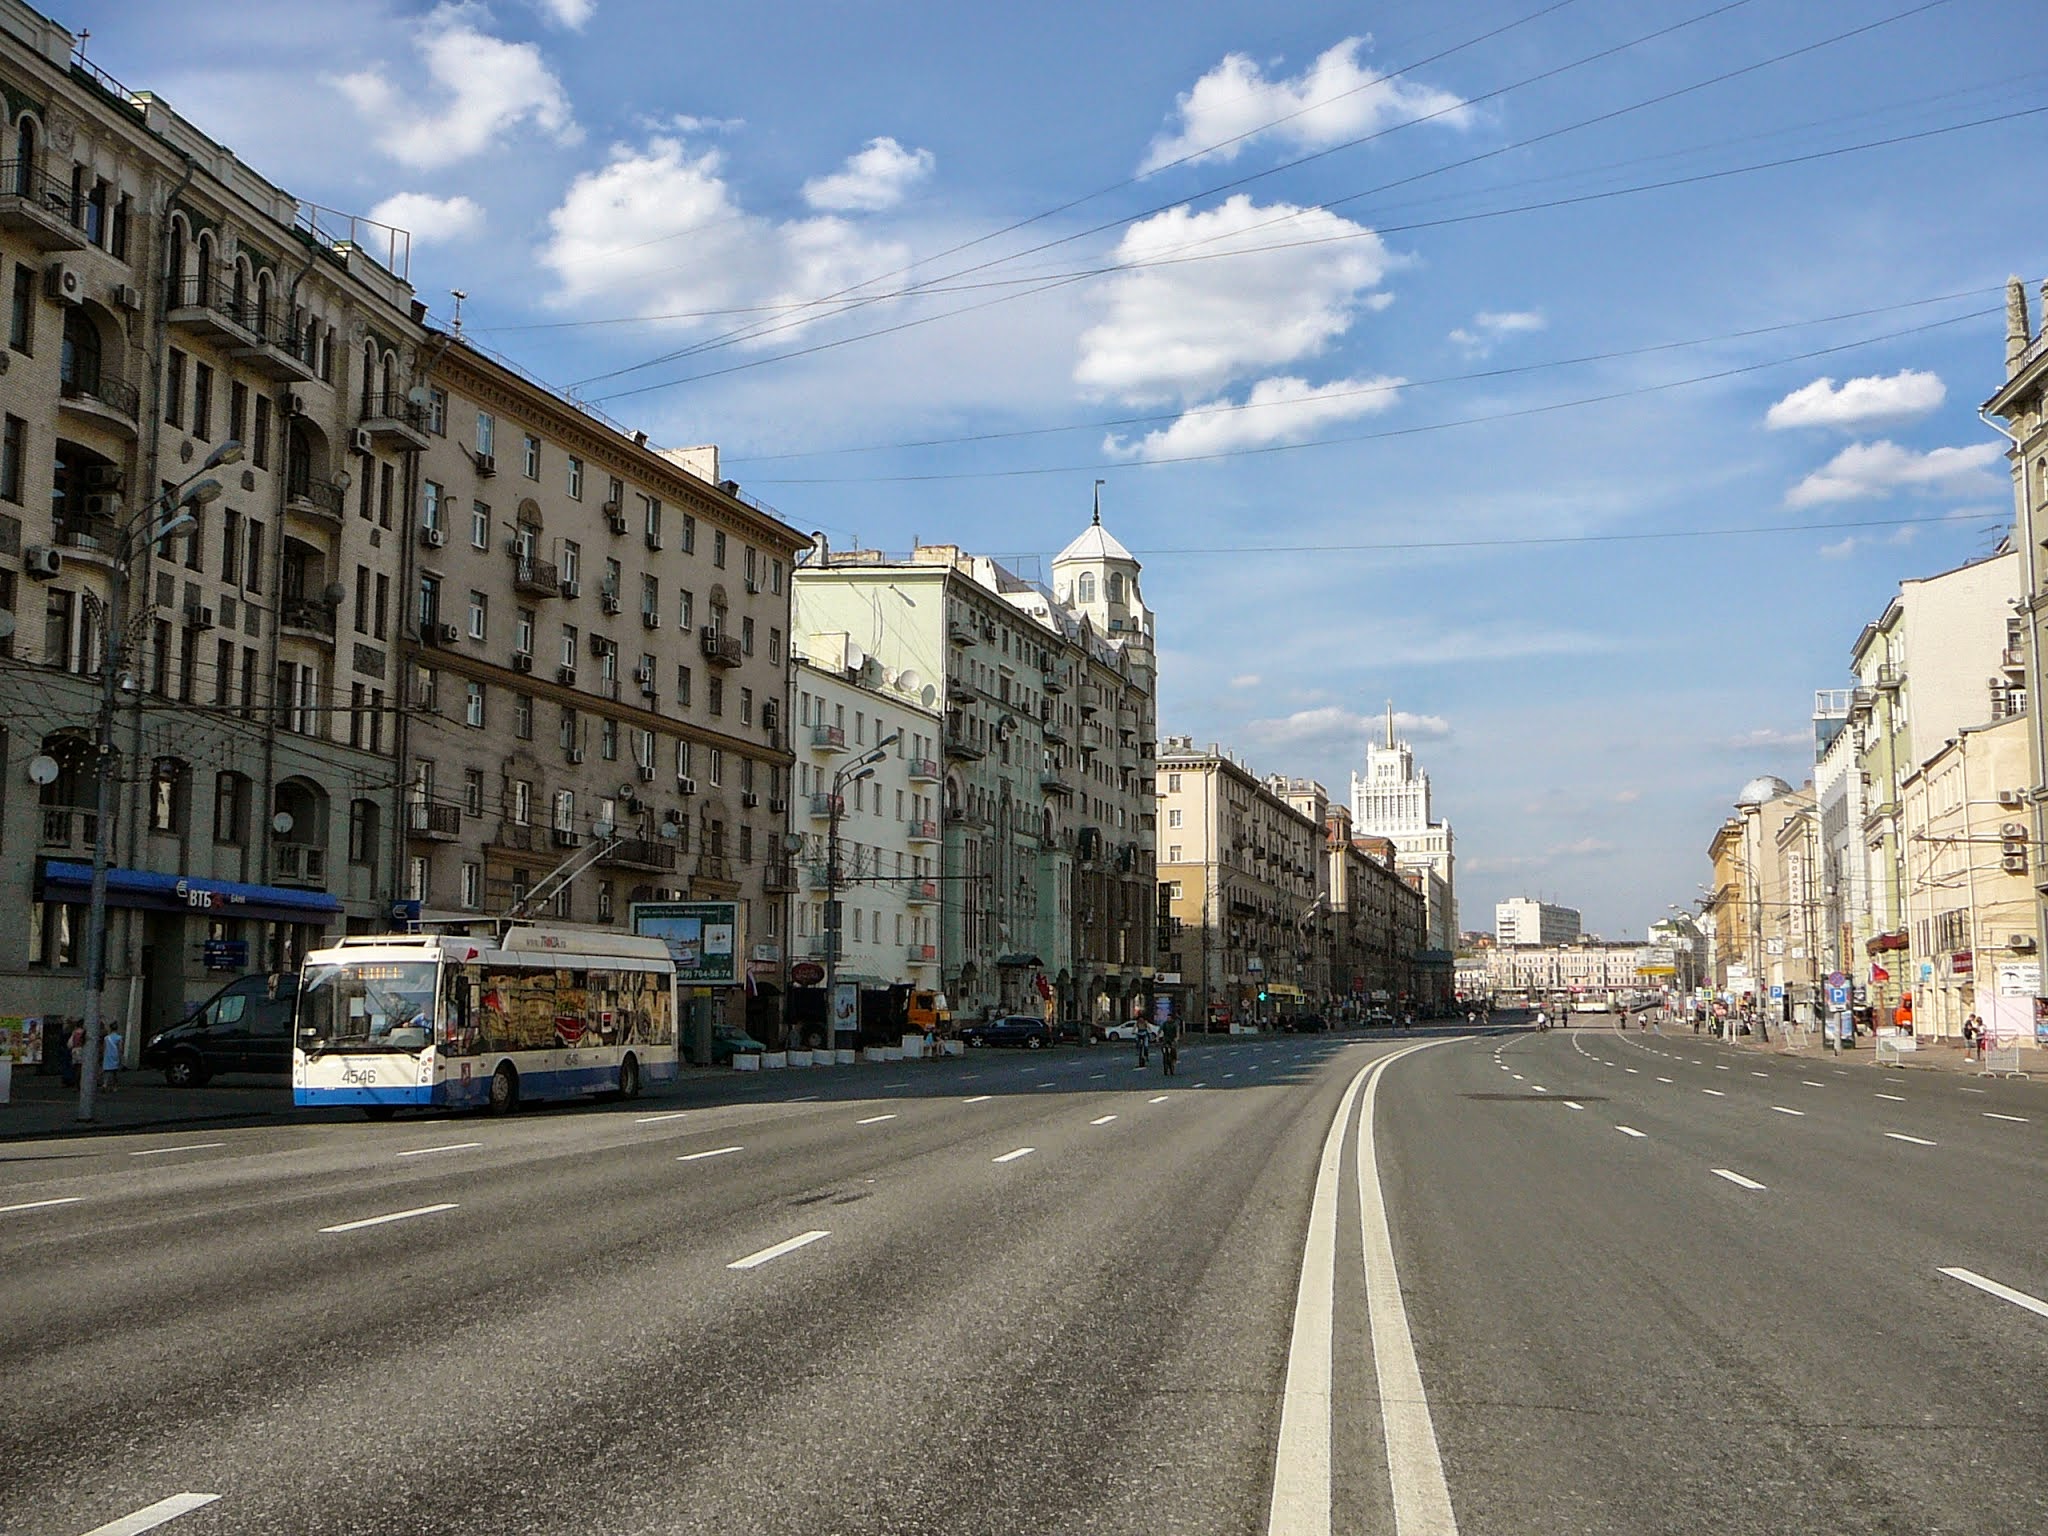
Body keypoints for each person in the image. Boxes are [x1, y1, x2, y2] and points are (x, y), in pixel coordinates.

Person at [99, 1024, 123, 1094]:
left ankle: (105, 1084)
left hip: (107, 1055)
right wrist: (121, 1056)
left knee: (107, 1070)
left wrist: (102, 1055)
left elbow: (104, 1047)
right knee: (115, 1072)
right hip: (115, 1055)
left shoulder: (106, 1038)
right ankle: (115, 1086)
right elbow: (120, 1048)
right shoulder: (119, 1037)